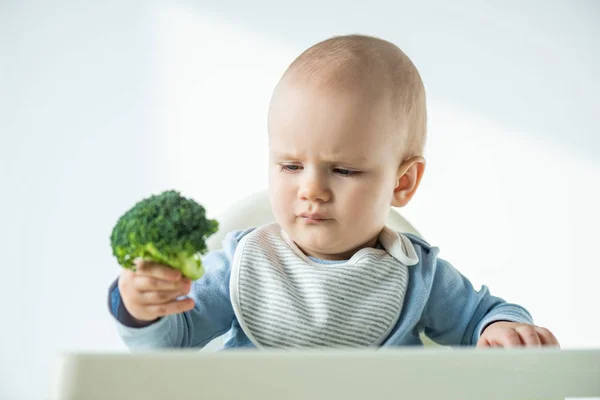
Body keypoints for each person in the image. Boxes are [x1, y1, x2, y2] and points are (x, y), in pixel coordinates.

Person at [108, 34, 559, 349]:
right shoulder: (241, 265)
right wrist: (142, 309)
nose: (312, 189)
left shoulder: (420, 275)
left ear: (401, 182)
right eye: (290, 165)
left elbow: (482, 314)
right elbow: (173, 341)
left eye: (342, 169)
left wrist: (503, 329)